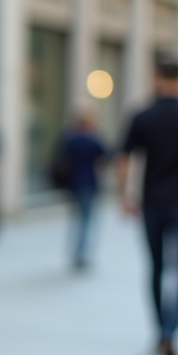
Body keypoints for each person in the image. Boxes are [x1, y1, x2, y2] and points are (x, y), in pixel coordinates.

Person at [117, 52, 178, 355]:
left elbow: (124, 158)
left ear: (157, 77)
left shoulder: (143, 115)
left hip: (154, 204)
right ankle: (172, 329)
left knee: (157, 267)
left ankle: (161, 329)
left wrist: (125, 196)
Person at [59, 108, 108, 270]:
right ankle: (81, 253)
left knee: (77, 219)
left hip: (73, 185)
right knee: (86, 220)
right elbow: (107, 155)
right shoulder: (92, 139)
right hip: (88, 184)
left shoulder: (70, 139)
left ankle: (75, 251)